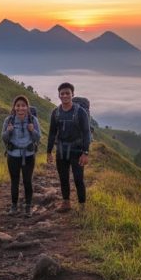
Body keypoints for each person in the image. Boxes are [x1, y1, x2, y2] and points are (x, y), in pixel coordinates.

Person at [47, 82, 90, 212]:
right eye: (62, 93)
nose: (65, 95)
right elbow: (52, 133)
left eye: (67, 93)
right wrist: (49, 152)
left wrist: (85, 152)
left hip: (77, 151)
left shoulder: (80, 112)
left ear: (72, 94)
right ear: (59, 95)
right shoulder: (56, 113)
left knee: (78, 179)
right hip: (61, 151)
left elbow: (86, 132)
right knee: (63, 177)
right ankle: (66, 202)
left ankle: (82, 205)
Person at [2, 95, 42, 217]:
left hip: (29, 155)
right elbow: (3, 138)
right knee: (14, 181)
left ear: (27, 107)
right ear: (14, 107)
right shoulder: (9, 120)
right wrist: (8, 131)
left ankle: (28, 207)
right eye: (18, 105)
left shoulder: (33, 120)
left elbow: (38, 137)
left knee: (27, 181)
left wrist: (32, 130)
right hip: (13, 155)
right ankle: (14, 206)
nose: (21, 108)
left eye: (23, 105)